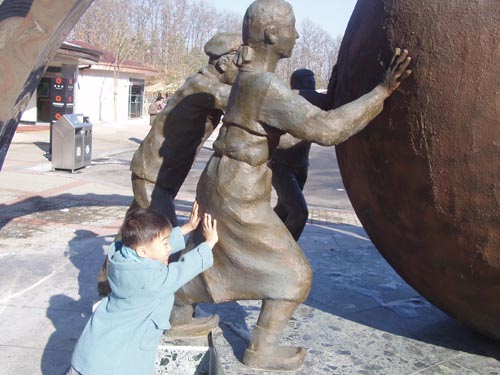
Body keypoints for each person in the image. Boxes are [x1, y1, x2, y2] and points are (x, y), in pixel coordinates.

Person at [174, 0, 411, 371]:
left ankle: (178, 308)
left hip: (227, 182)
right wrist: (380, 92)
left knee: (218, 256)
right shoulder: (265, 85)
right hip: (237, 191)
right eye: (292, 27)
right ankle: (260, 350)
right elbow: (329, 130)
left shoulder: (250, 79)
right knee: (294, 275)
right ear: (272, 34)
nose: (297, 35)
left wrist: (300, 128)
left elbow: (270, 137)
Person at [96, 32, 242, 331]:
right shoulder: (204, 85)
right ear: (225, 62)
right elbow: (246, 103)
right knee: (166, 240)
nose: (242, 68)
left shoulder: (205, 83)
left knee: (135, 225)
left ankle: (106, 278)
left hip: (159, 173)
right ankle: (173, 314)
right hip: (154, 174)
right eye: (239, 62)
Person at [67, 202, 218, 375]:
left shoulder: (119, 256)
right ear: (143, 252)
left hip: (91, 354)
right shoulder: (152, 281)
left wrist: (187, 228)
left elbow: (148, 244)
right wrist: (210, 243)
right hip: (113, 366)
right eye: (165, 244)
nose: (169, 248)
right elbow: (184, 269)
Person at [269, 68, 329, 240]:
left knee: (283, 209)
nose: (312, 89)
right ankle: (284, 253)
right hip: (280, 166)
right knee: (299, 212)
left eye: (314, 85)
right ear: (297, 85)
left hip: (300, 166)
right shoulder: (294, 97)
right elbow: (327, 100)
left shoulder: (309, 100)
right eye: (309, 85)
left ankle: (266, 241)